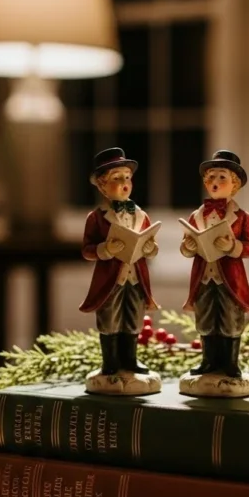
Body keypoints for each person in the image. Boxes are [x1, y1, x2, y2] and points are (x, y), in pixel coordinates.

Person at [80, 147, 158, 377]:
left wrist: (150, 248)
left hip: (135, 279)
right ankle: (110, 362)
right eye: (117, 178)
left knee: (133, 317)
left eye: (127, 178)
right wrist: (106, 249)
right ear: (102, 186)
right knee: (109, 319)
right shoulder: (96, 218)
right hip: (110, 280)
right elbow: (87, 250)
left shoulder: (141, 215)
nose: (124, 183)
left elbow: (150, 244)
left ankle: (130, 359)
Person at [180, 149, 249, 379]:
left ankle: (230, 363)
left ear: (234, 184)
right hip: (204, 278)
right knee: (205, 319)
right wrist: (188, 246)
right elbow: (186, 245)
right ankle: (208, 361)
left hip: (229, 280)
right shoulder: (197, 215)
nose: (215, 181)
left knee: (230, 319)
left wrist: (232, 246)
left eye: (222, 177)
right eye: (211, 177)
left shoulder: (242, 217)